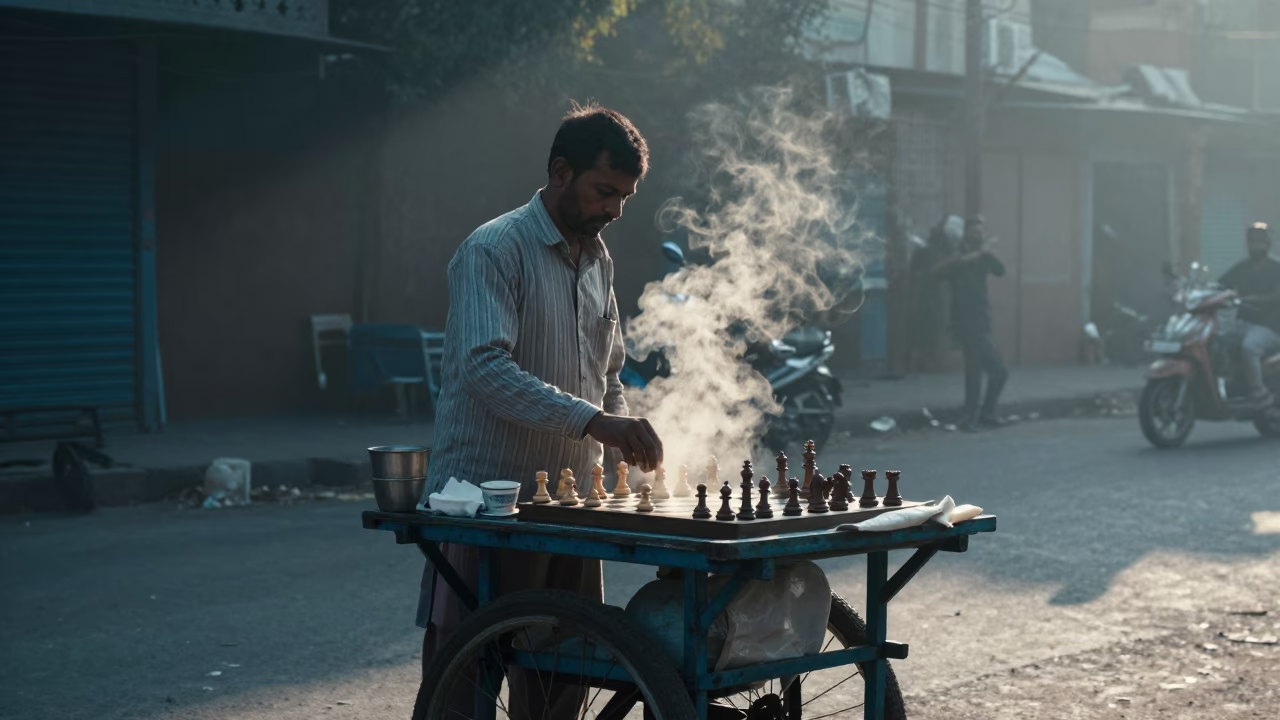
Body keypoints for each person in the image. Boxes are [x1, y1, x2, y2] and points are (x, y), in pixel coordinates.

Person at [415, 103, 664, 717]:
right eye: (604, 190)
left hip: (568, 507)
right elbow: (484, 368)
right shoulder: (495, 249)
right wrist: (594, 422)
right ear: (559, 172)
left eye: (624, 199)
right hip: (484, 502)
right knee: (467, 674)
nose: (613, 210)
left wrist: (619, 442)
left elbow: (607, 373)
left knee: (561, 677)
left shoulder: (599, 261)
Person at [931, 214, 1009, 431]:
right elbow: (936, 273)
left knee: (994, 371)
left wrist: (986, 252)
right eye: (975, 231)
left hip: (982, 320)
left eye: (981, 231)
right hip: (964, 321)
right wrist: (970, 257)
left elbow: (1000, 271)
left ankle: (982, 414)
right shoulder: (957, 256)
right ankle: (973, 417)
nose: (979, 235)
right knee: (980, 371)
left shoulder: (983, 256)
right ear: (965, 234)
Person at [1219, 222, 1280, 407]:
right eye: (1252, 242)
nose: (1255, 246)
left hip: (1269, 327)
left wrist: (1253, 299)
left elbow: (1276, 295)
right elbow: (1222, 283)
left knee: (1250, 347)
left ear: (1267, 244)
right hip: (1244, 323)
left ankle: (1258, 390)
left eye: (1259, 242)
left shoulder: (1276, 267)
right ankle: (1228, 382)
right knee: (1218, 340)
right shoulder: (1243, 267)